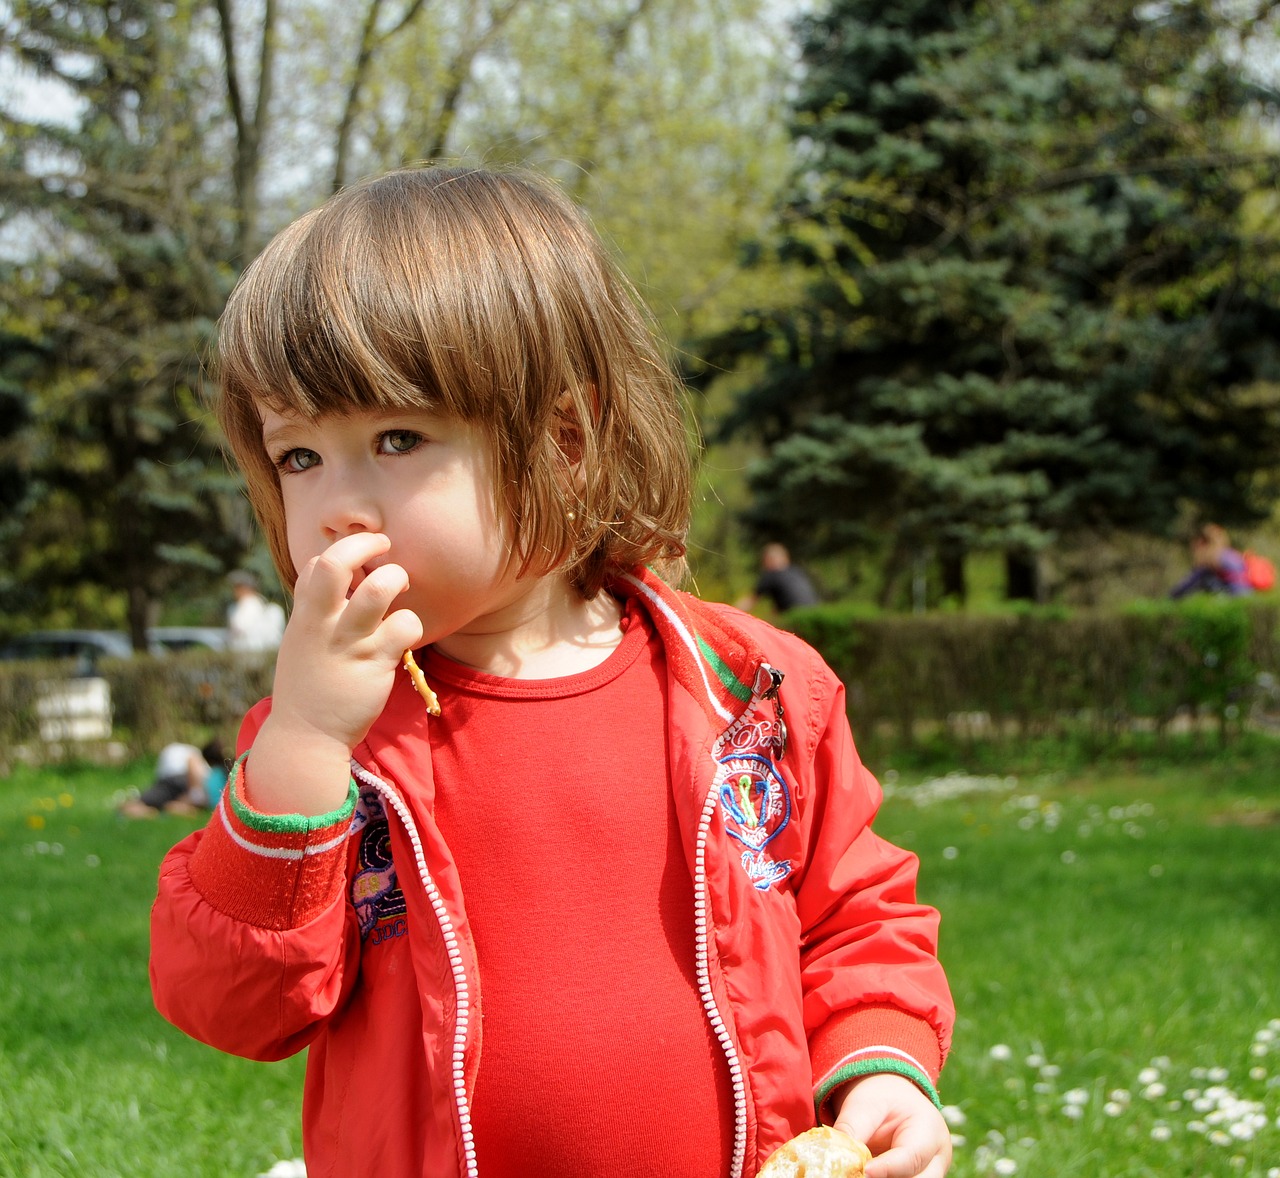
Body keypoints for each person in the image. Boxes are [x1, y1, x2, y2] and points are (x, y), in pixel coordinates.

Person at [149, 166, 954, 1178]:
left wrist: (877, 1067)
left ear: (565, 439)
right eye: (298, 456)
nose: (335, 508)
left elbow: (852, 918)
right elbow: (234, 1004)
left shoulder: (749, 691)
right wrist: (303, 743)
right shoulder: (332, 741)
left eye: (396, 438)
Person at [121, 739, 226, 818]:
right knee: (163, 801)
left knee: (137, 803)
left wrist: (194, 794)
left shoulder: (193, 753)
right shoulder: (207, 766)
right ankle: (167, 808)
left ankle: (151, 810)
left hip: (174, 778)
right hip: (181, 783)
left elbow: (191, 763)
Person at [1170, 523, 1253, 598]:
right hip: (1247, 596)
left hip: (1235, 596)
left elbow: (1189, 583)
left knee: (1207, 580)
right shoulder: (1231, 554)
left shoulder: (1212, 560)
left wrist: (1172, 596)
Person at [737, 542, 822, 613]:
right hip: (815, 614)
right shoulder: (796, 571)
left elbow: (751, 601)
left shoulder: (772, 575)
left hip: (794, 617)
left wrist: (729, 613)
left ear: (768, 560)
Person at [226, 569, 286, 651]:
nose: (236, 591)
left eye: (239, 587)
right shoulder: (241, 605)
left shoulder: (250, 604)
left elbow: (239, 627)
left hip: (252, 652)